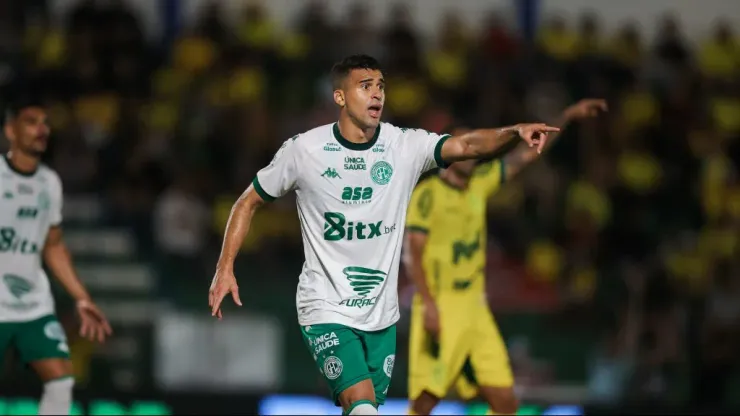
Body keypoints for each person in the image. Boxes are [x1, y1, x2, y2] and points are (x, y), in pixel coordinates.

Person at [208, 54, 560, 416]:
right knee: (363, 407)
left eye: (380, 86)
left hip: (381, 316)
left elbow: (467, 146)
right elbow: (247, 201)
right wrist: (225, 267)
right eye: (365, 86)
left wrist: (513, 132)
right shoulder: (304, 150)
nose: (377, 94)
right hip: (325, 307)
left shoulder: (403, 146)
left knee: (364, 409)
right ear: (340, 97)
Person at [404, 99, 608, 415]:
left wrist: (566, 116)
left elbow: (526, 154)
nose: (472, 152)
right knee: (426, 401)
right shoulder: (428, 195)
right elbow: (412, 253)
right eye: (464, 145)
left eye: (474, 145)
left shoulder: (479, 186)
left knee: (505, 402)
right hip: (442, 305)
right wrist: (428, 304)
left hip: (476, 307)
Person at [0, 98, 112, 414]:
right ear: (10, 130)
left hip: (32, 304)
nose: (41, 129)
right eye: (31, 122)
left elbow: (53, 245)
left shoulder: (49, 183)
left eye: (44, 123)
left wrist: (82, 298)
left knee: (61, 382)